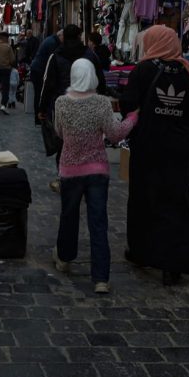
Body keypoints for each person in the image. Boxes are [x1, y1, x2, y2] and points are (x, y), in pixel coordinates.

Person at [119, 25, 189, 286]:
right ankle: (174, 264)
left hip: (148, 147)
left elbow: (128, 104)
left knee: (144, 200)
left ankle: (142, 252)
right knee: (176, 203)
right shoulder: (188, 75)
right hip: (178, 150)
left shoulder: (143, 70)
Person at [53, 59, 138, 294]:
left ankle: (65, 257)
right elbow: (115, 132)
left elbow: (59, 132)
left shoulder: (61, 103)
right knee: (98, 223)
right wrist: (132, 118)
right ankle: (100, 277)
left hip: (70, 170)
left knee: (69, 217)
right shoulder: (101, 103)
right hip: (97, 171)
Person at [39, 25, 105, 192]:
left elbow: (48, 83)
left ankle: (64, 180)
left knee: (64, 144)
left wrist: (41, 108)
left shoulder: (56, 56)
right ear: (80, 36)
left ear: (63, 37)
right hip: (88, 104)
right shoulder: (90, 55)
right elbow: (100, 80)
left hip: (63, 106)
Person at [30, 29, 62, 119]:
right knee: (40, 93)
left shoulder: (51, 39)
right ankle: (39, 116)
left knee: (39, 93)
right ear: (60, 36)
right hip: (39, 70)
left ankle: (39, 116)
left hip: (37, 69)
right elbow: (53, 59)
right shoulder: (53, 43)